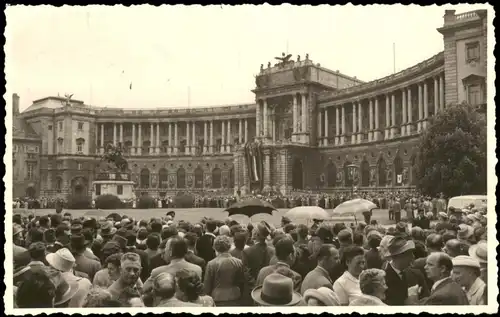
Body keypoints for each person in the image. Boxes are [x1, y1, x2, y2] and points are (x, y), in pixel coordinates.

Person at [384, 236, 429, 305]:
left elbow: (426, 299)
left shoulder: (416, 274)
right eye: (409, 254)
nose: (413, 257)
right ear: (399, 256)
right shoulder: (383, 278)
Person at [204, 235, 246, 306]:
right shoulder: (238, 262)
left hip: (217, 297)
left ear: (215, 247)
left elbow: (207, 285)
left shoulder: (211, 264)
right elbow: (241, 282)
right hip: (235, 295)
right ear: (229, 246)